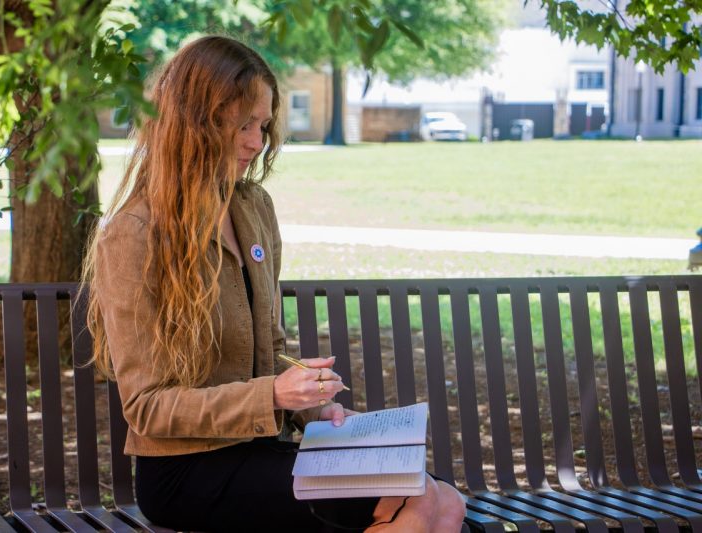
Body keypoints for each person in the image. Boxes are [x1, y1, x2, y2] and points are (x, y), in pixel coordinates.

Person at [81, 35, 466, 532]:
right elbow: (147, 407)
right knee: (412, 503)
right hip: (188, 471)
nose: (256, 142)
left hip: (265, 448)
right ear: (195, 123)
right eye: (243, 124)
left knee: (444, 499)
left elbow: (270, 344)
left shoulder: (252, 208)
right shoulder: (134, 234)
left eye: (262, 125)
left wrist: (312, 402)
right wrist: (275, 396)